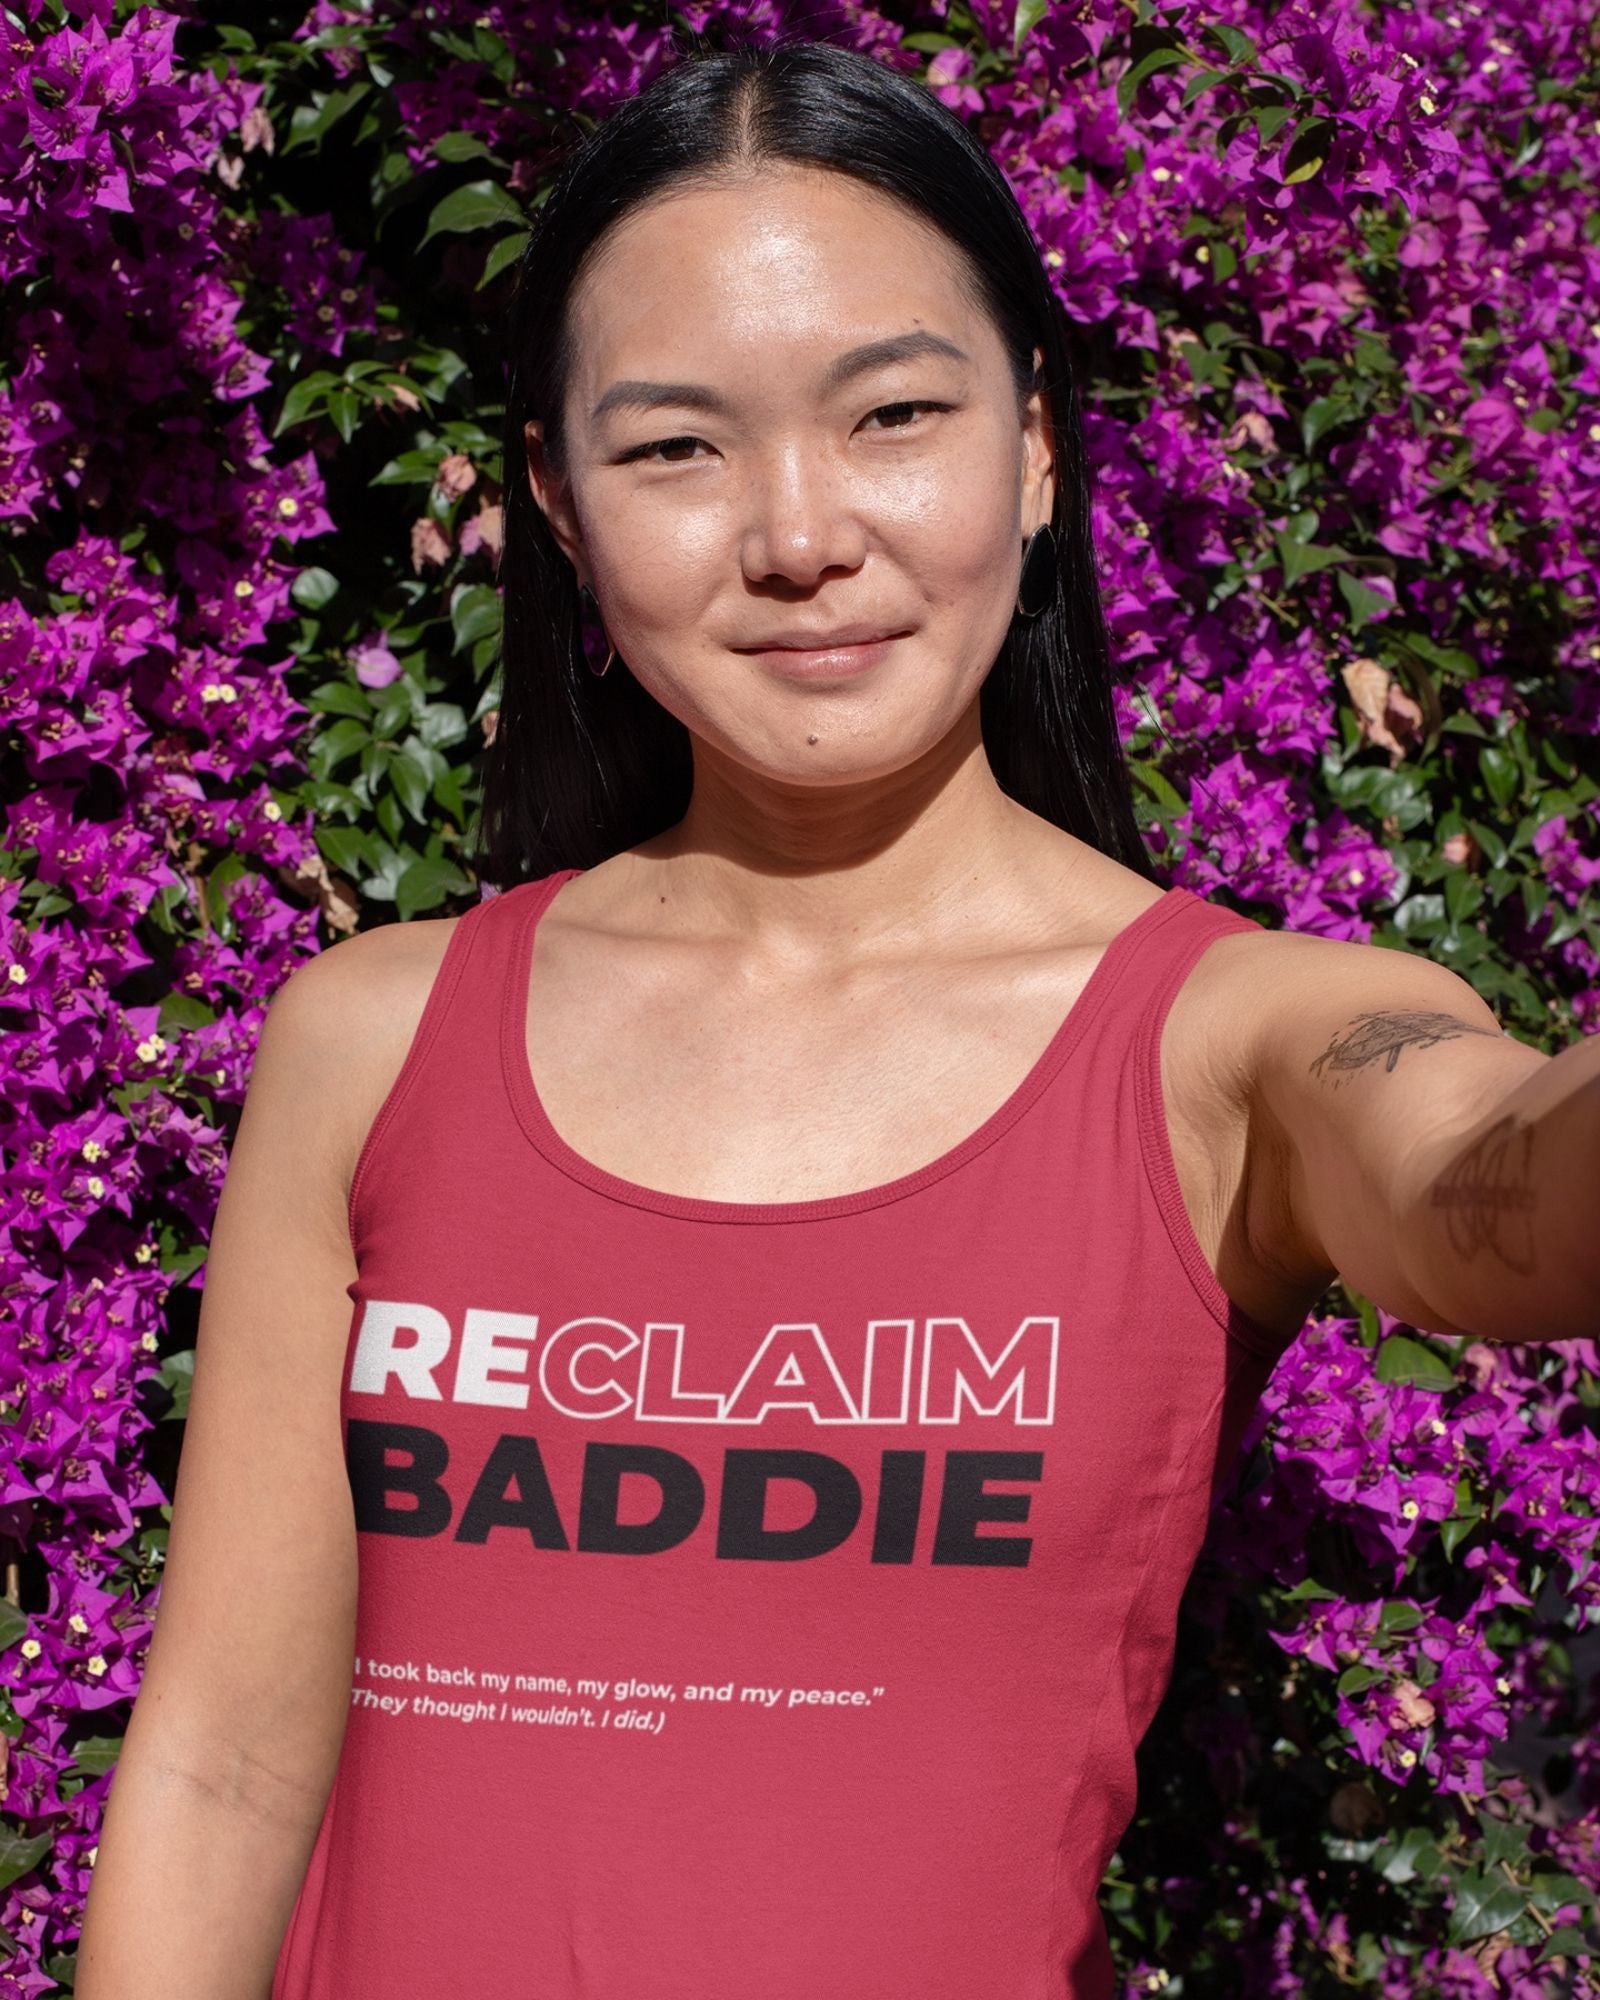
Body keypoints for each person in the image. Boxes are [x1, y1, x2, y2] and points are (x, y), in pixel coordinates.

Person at [76, 35, 1594, 2000]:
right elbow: (221, 1769)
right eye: (674, 448)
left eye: (891, 414)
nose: (796, 536)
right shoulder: (373, 1040)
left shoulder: (1231, 1045)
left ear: (1033, 445)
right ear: (556, 502)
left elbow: (1503, 1194)